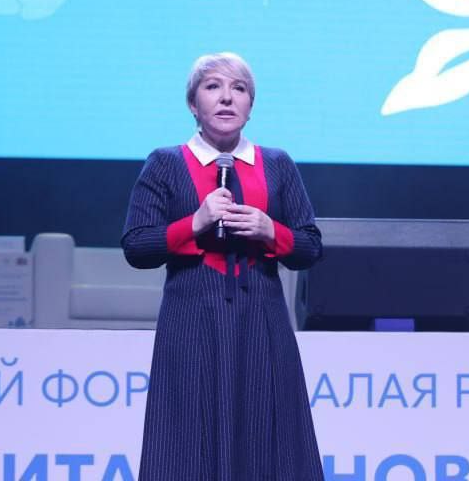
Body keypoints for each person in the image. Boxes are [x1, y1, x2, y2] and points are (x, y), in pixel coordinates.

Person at [122, 52, 325, 481]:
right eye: (213, 87)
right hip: (191, 320)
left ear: (251, 105)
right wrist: (194, 223)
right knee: (184, 444)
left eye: (239, 89)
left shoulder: (278, 164)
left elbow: (310, 247)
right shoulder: (165, 163)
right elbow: (137, 247)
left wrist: (271, 230)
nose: (227, 98)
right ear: (192, 104)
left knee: (268, 439)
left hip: (262, 322)